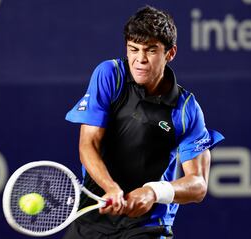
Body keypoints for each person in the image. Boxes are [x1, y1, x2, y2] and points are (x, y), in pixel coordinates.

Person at [63, 5, 224, 239]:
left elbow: (198, 185)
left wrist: (153, 192)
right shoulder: (110, 75)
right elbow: (88, 145)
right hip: (90, 218)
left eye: (150, 51)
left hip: (147, 225)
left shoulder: (187, 108)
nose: (140, 60)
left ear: (170, 53)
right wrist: (111, 187)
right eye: (133, 49)